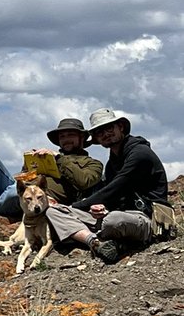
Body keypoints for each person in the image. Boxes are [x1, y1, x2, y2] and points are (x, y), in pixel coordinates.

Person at [46, 108, 172, 264]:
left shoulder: (140, 153)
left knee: (113, 220)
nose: (105, 134)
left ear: (121, 127)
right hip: (117, 215)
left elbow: (115, 188)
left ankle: (87, 236)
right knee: (54, 211)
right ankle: (94, 242)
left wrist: (77, 206)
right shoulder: (112, 162)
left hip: (147, 218)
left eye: (109, 128)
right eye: (99, 132)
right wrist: (100, 209)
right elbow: (112, 196)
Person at [0, 117, 102, 224]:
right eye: (62, 136)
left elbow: (84, 181)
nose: (66, 139)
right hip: (20, 189)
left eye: (70, 135)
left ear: (81, 137)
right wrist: (30, 167)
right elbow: (23, 179)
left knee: (14, 194)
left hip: (39, 200)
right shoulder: (48, 156)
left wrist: (58, 159)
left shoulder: (93, 164)